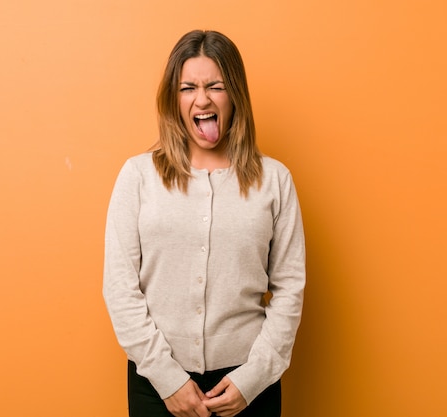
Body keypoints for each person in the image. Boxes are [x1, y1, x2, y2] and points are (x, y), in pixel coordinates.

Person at [103, 29, 305, 417]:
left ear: (235, 96)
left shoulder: (275, 181)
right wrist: (168, 379)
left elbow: (290, 288)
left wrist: (254, 378)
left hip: (248, 387)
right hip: (156, 386)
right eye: (188, 88)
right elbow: (119, 287)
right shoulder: (138, 177)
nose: (202, 99)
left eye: (216, 86)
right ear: (173, 98)